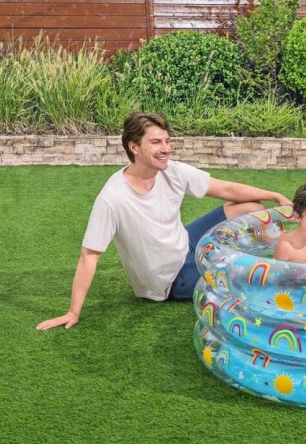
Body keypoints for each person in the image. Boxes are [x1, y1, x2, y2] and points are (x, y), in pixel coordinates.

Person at [36, 112, 292, 331]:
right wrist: (73, 312)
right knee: (237, 278)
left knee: (251, 209)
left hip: (186, 243)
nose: (166, 148)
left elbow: (225, 189)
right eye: (156, 142)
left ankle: (285, 253)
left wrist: (273, 195)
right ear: (134, 147)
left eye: (167, 141)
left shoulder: (172, 170)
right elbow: (89, 255)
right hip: (169, 280)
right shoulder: (112, 198)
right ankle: (282, 275)